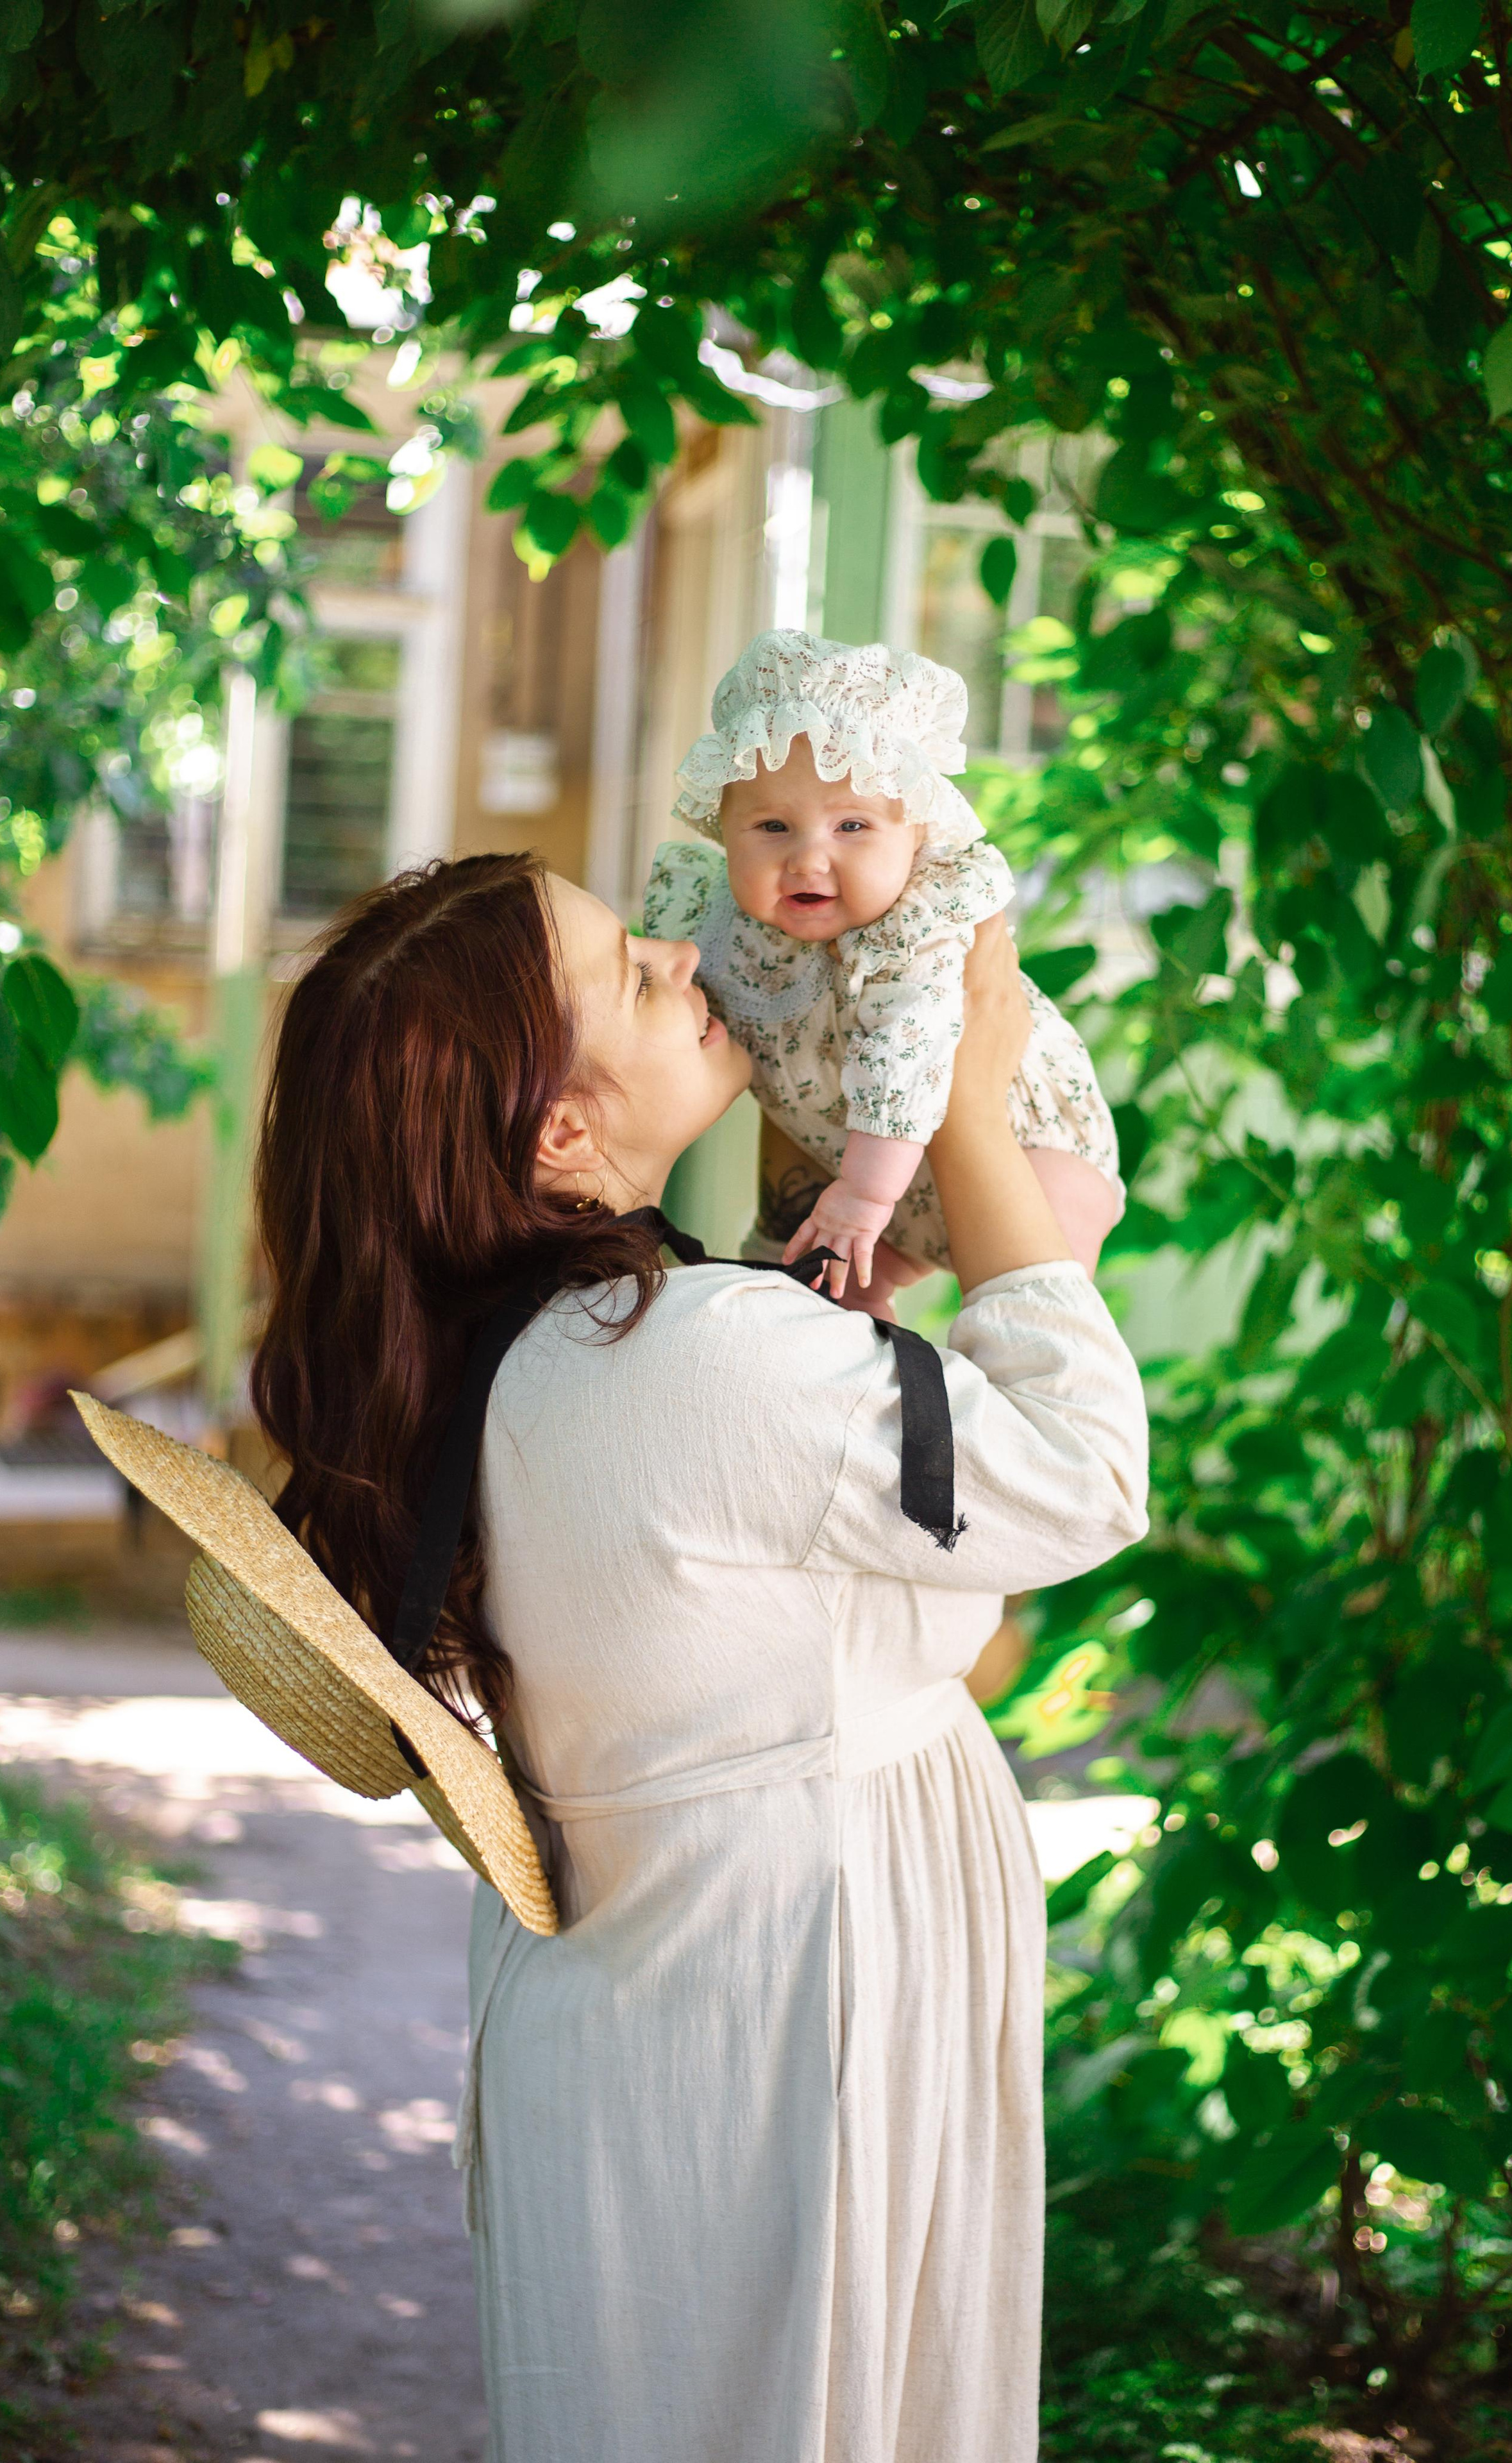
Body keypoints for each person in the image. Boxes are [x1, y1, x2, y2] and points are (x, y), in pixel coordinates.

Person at [249, 852, 1148, 2463]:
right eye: (630, 973)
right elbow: (1082, 1478)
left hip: (677, 2010)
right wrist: (960, 1104)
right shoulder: (685, 1352)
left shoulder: (537, 1348)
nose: (684, 953)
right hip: (780, 2016)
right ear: (559, 1133)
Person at [644, 629, 1123, 1303]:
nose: (808, 859)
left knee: (1037, 1290)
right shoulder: (716, 921)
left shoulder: (914, 927)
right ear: (723, 828)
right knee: (837, 1297)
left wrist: (865, 1198)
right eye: (772, 828)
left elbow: (908, 1050)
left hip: (1022, 1147)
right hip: (867, 1175)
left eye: (852, 827)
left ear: (918, 834)